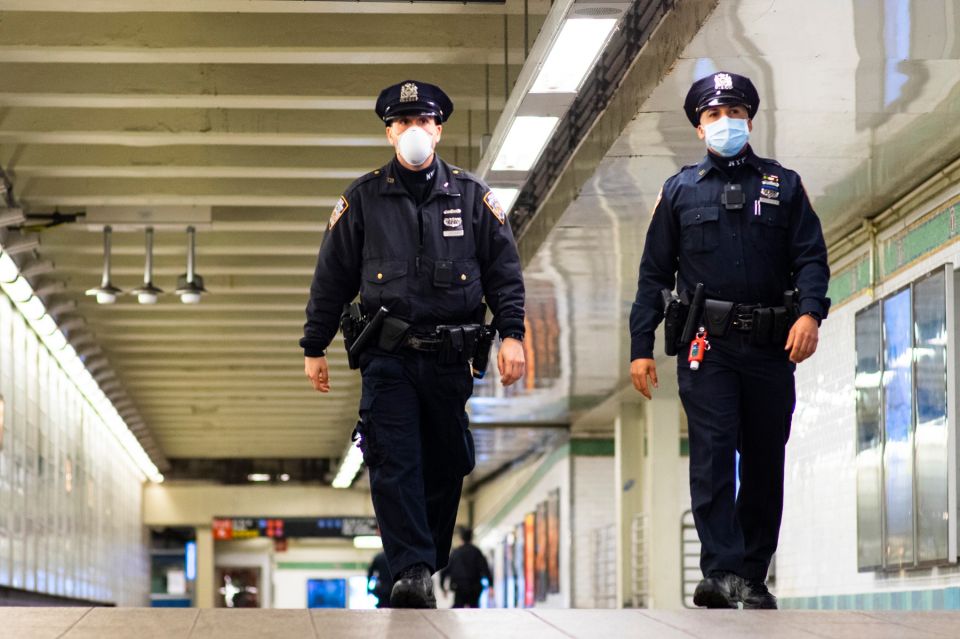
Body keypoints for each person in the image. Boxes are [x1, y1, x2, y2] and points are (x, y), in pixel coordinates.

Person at [301, 80, 526, 609]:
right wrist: (315, 346)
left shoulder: (473, 198)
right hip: (389, 359)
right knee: (394, 458)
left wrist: (512, 334)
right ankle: (411, 571)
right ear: (389, 133)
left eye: (423, 122)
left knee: (448, 463)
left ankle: (426, 558)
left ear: (438, 128)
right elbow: (329, 279)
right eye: (402, 123)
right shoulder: (361, 200)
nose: (414, 132)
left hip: (450, 359)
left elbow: (505, 274)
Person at [628, 71, 829, 609]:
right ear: (699, 128)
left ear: (750, 120)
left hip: (770, 347)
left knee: (764, 461)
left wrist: (810, 314)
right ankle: (720, 571)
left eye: (735, 113)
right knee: (713, 456)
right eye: (714, 115)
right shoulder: (678, 192)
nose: (725, 123)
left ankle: (752, 572)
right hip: (707, 349)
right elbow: (653, 275)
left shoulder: (784, 187)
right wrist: (640, 348)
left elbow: (810, 257)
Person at [439, 528, 491, 608]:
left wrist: (443, 587)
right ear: (471, 538)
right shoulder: (477, 552)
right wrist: (491, 586)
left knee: (458, 608)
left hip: (459, 588)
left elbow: (444, 571)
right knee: (474, 609)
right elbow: (485, 569)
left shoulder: (455, 553)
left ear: (461, 539)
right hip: (474, 588)